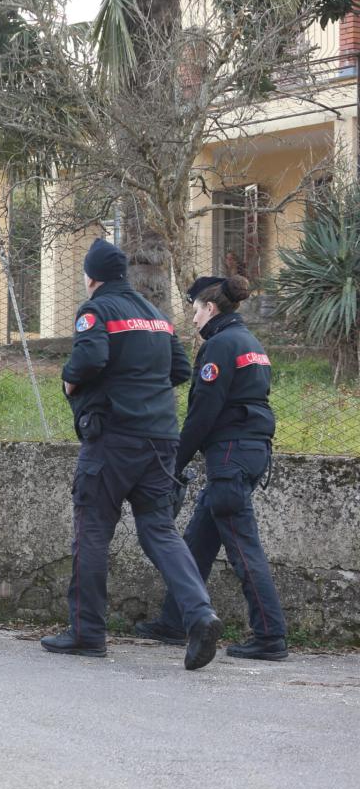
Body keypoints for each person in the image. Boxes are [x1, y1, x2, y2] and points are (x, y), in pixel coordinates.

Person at [42, 238, 224, 671]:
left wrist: (70, 382)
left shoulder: (95, 310)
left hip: (112, 440)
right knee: (159, 530)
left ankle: (87, 633)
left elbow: (88, 360)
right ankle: (199, 615)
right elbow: (180, 370)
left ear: (91, 276)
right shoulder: (156, 316)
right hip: (161, 439)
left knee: (92, 531)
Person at [135, 275, 287, 660]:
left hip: (231, 455)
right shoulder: (249, 342)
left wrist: (174, 462)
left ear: (210, 308)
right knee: (199, 541)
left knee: (243, 548)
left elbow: (203, 413)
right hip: (249, 452)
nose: (193, 319)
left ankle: (270, 636)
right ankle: (174, 621)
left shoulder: (219, 346)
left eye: (196, 310)